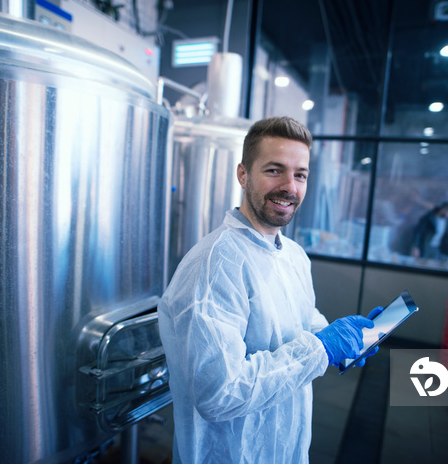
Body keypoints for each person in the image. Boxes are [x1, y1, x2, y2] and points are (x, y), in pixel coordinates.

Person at [157, 116, 383, 463]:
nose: (290, 187)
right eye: (274, 170)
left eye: (300, 175)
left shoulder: (291, 255)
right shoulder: (217, 264)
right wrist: (320, 349)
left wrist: (346, 341)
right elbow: (220, 392)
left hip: (285, 447)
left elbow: (302, 323)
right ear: (243, 174)